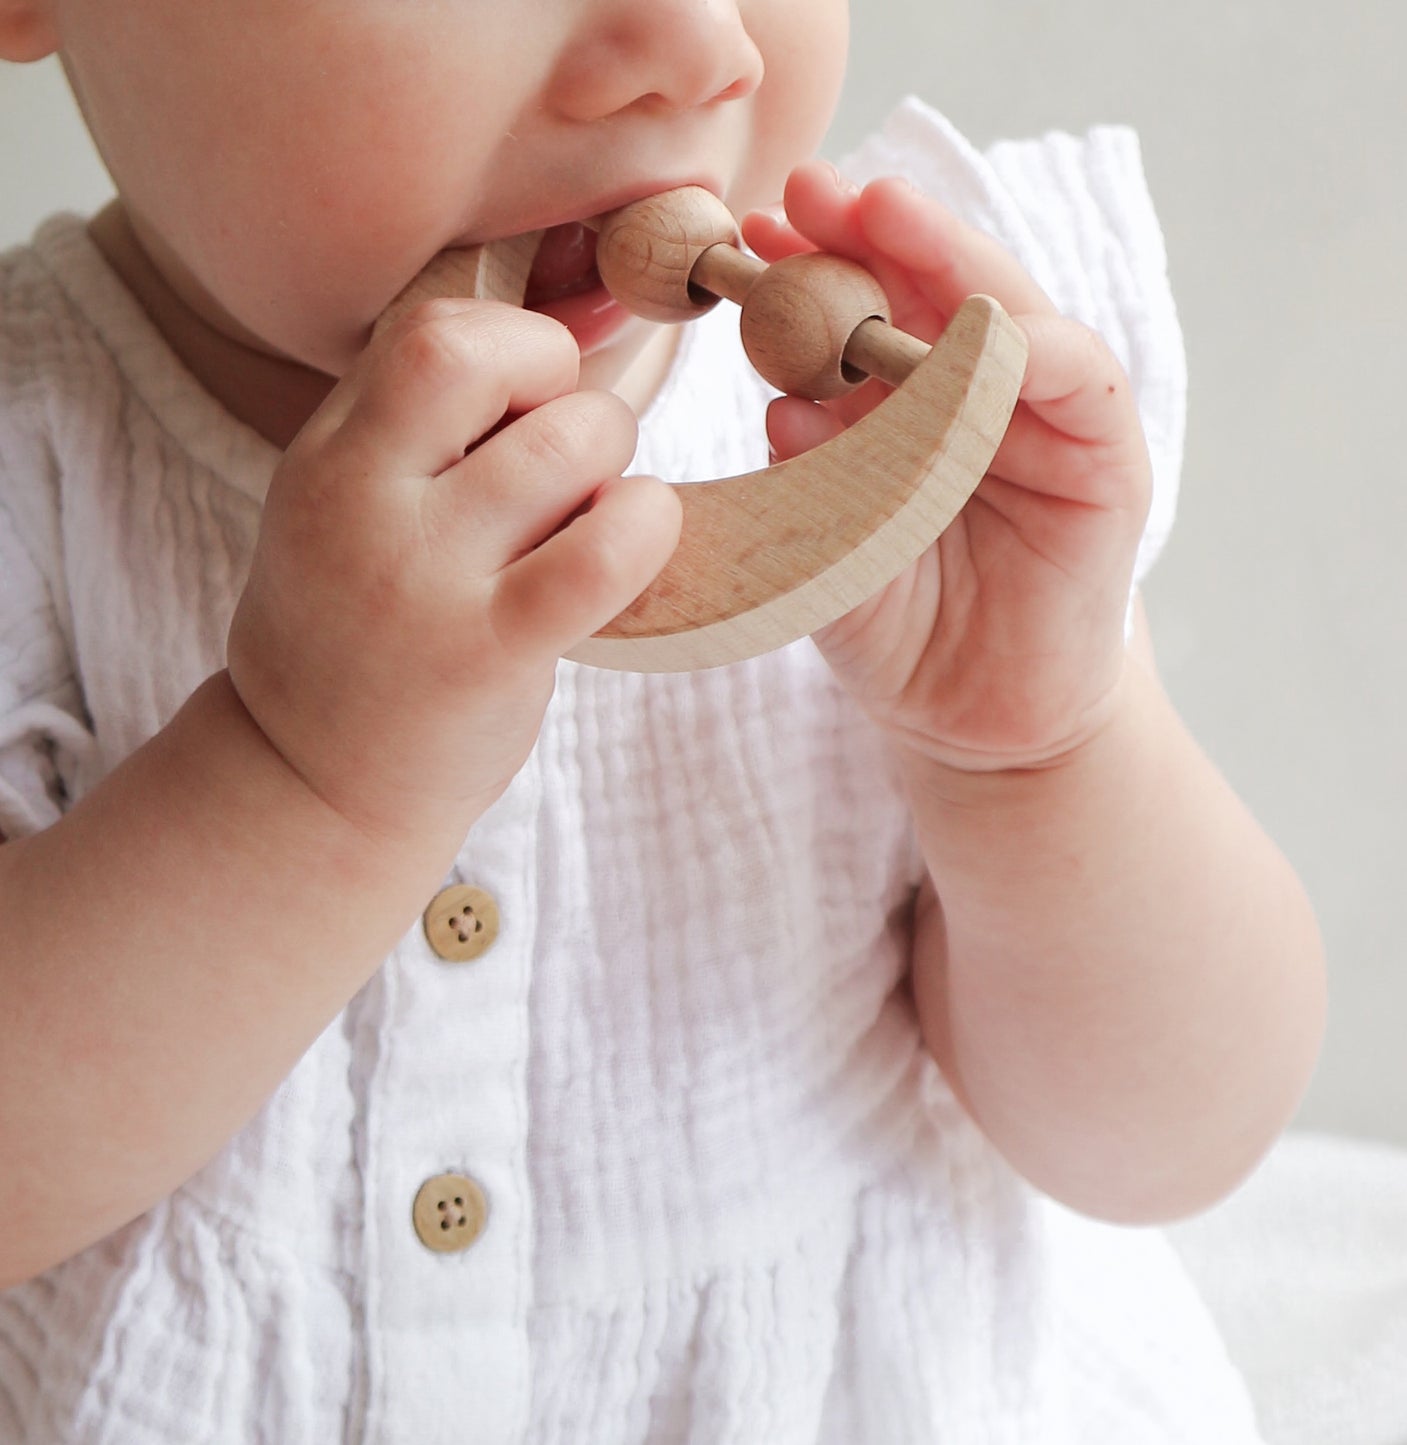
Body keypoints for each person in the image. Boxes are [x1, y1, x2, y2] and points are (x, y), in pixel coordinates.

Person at [0, 0, 1326, 1438]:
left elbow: (1162, 1148)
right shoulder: (38, 464)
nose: (700, 44)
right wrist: (300, 776)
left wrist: (1036, 753)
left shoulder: (925, 409)